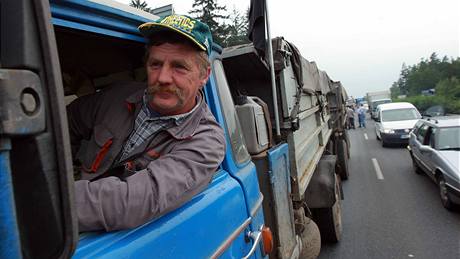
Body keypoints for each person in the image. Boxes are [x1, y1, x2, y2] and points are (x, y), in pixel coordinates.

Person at [68, 14, 226, 232]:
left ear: (204, 75)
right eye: (155, 64)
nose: (163, 78)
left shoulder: (207, 142)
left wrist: (46, 202)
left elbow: (135, 200)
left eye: (179, 67)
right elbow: (62, 128)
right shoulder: (115, 96)